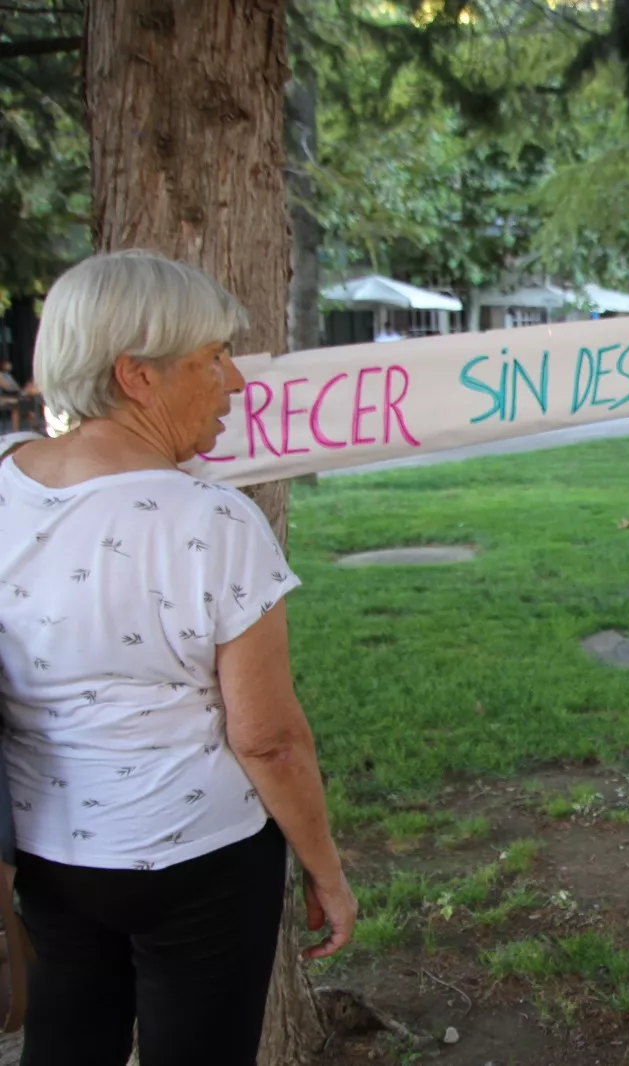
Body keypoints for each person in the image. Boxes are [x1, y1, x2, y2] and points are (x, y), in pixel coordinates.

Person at [0, 250, 357, 1065]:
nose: (234, 383)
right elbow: (267, 737)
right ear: (137, 375)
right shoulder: (213, 520)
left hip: (50, 850)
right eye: (213, 359)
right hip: (200, 860)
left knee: (66, 1041)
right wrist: (327, 872)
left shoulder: (4, 483)